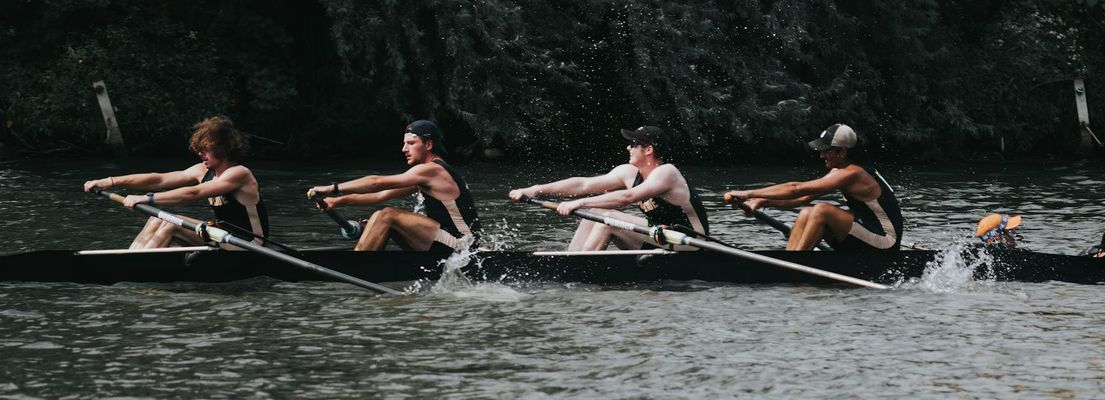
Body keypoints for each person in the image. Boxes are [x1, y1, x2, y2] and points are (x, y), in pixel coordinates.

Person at [508, 125, 710, 251]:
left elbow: (627, 197)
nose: (628, 148)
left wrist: (578, 203)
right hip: (660, 237)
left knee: (609, 220)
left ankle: (580, 269)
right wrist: (536, 189)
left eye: (633, 144)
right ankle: (571, 258)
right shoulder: (629, 172)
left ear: (648, 149)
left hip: (691, 244)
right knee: (595, 212)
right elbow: (583, 184)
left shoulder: (667, 172)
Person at [82, 115, 269, 249]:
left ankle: (138, 266)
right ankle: (131, 256)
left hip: (250, 244)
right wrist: (111, 181)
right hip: (221, 234)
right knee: (157, 217)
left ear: (224, 148)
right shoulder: (202, 170)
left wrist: (146, 199)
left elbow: (192, 194)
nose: (200, 154)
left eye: (205, 149)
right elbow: (159, 179)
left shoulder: (239, 174)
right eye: (199, 149)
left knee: (172, 223)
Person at [306, 120, 480, 253]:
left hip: (463, 247)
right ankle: (361, 256)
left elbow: (376, 183)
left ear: (428, 145)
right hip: (447, 242)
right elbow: (379, 196)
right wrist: (337, 202)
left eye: (411, 143)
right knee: (379, 215)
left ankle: (357, 264)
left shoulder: (432, 170)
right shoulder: (426, 176)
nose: (404, 149)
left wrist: (332, 189)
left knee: (388, 215)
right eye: (404, 143)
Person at [723, 123, 903, 251]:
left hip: (886, 241)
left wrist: (747, 193)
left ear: (842, 152)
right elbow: (801, 199)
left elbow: (797, 188)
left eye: (826, 150)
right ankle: (791, 259)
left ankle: (796, 266)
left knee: (822, 210)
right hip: (868, 231)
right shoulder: (841, 171)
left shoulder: (853, 174)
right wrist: (762, 201)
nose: (821, 155)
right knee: (807, 212)